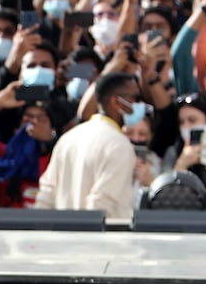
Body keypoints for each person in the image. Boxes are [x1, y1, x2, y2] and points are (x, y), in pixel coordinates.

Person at [35, 72, 139, 219]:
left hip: (61, 238)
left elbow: (45, 197)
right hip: (98, 240)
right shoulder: (119, 145)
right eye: (135, 98)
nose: (140, 105)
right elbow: (101, 208)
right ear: (116, 102)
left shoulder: (68, 138)